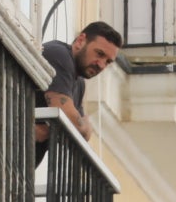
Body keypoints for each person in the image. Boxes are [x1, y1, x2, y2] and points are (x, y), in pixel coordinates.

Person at [34, 21, 124, 159]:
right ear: (81, 41)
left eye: (108, 62)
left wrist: (48, 131)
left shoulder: (79, 84)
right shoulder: (59, 54)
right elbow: (74, 122)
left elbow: (78, 139)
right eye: (99, 54)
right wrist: (84, 127)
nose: (101, 65)